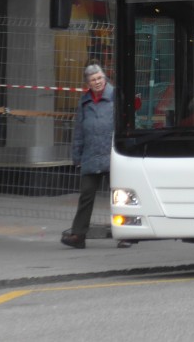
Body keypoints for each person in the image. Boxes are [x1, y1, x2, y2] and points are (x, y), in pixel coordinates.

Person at [62, 63, 129, 249]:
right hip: (91, 155)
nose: (97, 82)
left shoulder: (116, 97)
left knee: (120, 196)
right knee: (86, 196)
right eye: (93, 80)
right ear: (88, 83)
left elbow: (125, 125)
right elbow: (79, 131)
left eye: (99, 78)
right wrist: (77, 155)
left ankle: (126, 234)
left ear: (105, 78)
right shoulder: (84, 101)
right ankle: (78, 235)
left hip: (113, 154)